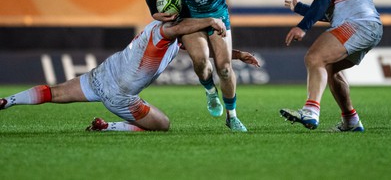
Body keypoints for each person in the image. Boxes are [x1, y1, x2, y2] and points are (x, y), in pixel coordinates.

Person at [0, 17, 260, 132]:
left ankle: (8, 101)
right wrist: (210, 20)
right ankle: (108, 127)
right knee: (163, 125)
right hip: (120, 97)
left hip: (101, 75)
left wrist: (235, 55)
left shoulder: (166, 32)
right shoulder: (166, 30)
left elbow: (196, 48)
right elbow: (181, 29)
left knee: (54, 93)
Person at [143, 0, 281, 132]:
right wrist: (154, 12)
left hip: (219, 17)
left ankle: (232, 117)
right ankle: (210, 91)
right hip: (191, 19)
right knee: (200, 61)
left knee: (224, 69)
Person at [279, 0, 383, 132]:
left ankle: (310, 111)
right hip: (372, 26)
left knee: (314, 57)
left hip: (357, 24)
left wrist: (302, 26)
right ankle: (351, 121)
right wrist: (299, 7)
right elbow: (330, 12)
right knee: (329, 68)